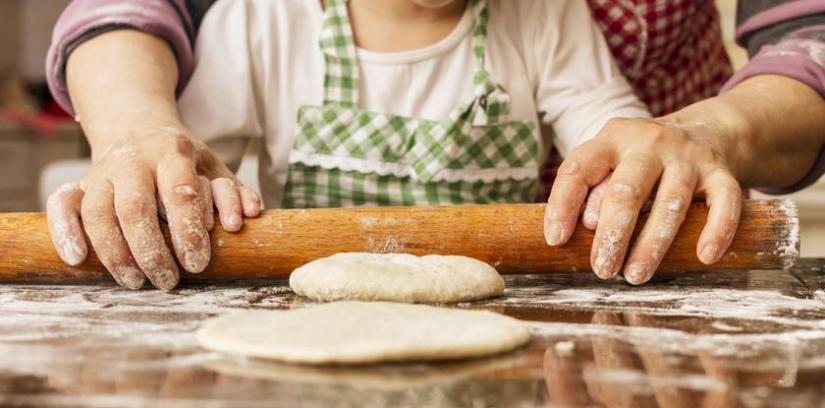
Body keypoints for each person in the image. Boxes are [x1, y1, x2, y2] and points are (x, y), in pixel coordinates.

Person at [45, 0, 825, 290]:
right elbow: (185, 157)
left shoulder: (544, 20)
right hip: (297, 307)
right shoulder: (264, 19)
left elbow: (612, 144)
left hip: (505, 313)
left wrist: (651, 163)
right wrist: (164, 172)